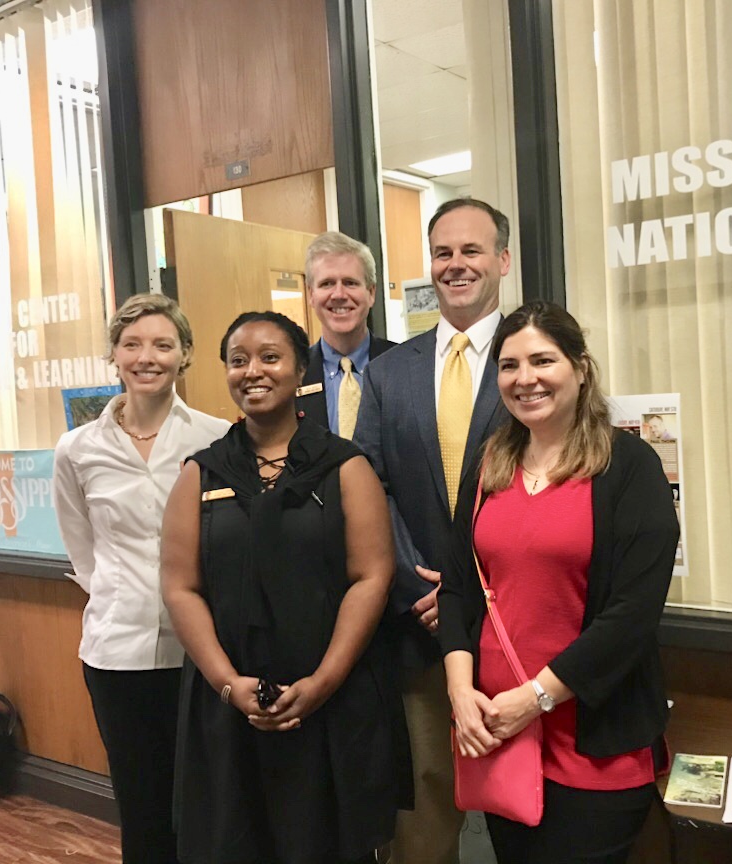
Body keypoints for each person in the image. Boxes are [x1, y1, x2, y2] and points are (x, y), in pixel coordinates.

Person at [161, 311, 411, 864]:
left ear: (301, 370)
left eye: (270, 357)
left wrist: (322, 682)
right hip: (229, 705)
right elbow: (180, 587)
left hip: (333, 699)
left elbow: (371, 577)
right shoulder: (200, 474)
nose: (253, 371)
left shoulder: (345, 467)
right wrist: (227, 683)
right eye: (238, 359)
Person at [438, 301, 679, 864]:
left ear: (580, 367)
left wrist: (536, 697)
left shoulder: (629, 466)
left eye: (543, 361)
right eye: (509, 365)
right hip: (499, 735)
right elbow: (457, 587)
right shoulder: (490, 462)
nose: (525, 380)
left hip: (592, 745)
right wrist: (459, 693)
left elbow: (632, 617)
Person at [356, 197, 512, 864]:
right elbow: (369, 484)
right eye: (444, 252)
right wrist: (415, 582)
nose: (456, 265)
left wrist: (475, 589)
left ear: (502, 261)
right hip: (417, 625)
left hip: (517, 624)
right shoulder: (390, 372)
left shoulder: (535, 357)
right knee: (425, 811)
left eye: (471, 250)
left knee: (526, 805)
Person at [52, 293, 231, 864]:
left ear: (185, 355)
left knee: (208, 803)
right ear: (114, 355)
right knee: (142, 805)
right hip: (116, 655)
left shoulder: (218, 437)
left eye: (162, 344)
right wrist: (121, 594)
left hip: (200, 655)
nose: (146, 356)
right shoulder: (78, 449)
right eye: (132, 344)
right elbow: (84, 553)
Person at [296, 231, 395, 437]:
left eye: (350, 282)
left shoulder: (404, 365)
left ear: (371, 293)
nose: (339, 294)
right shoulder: (292, 374)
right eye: (327, 284)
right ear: (311, 295)